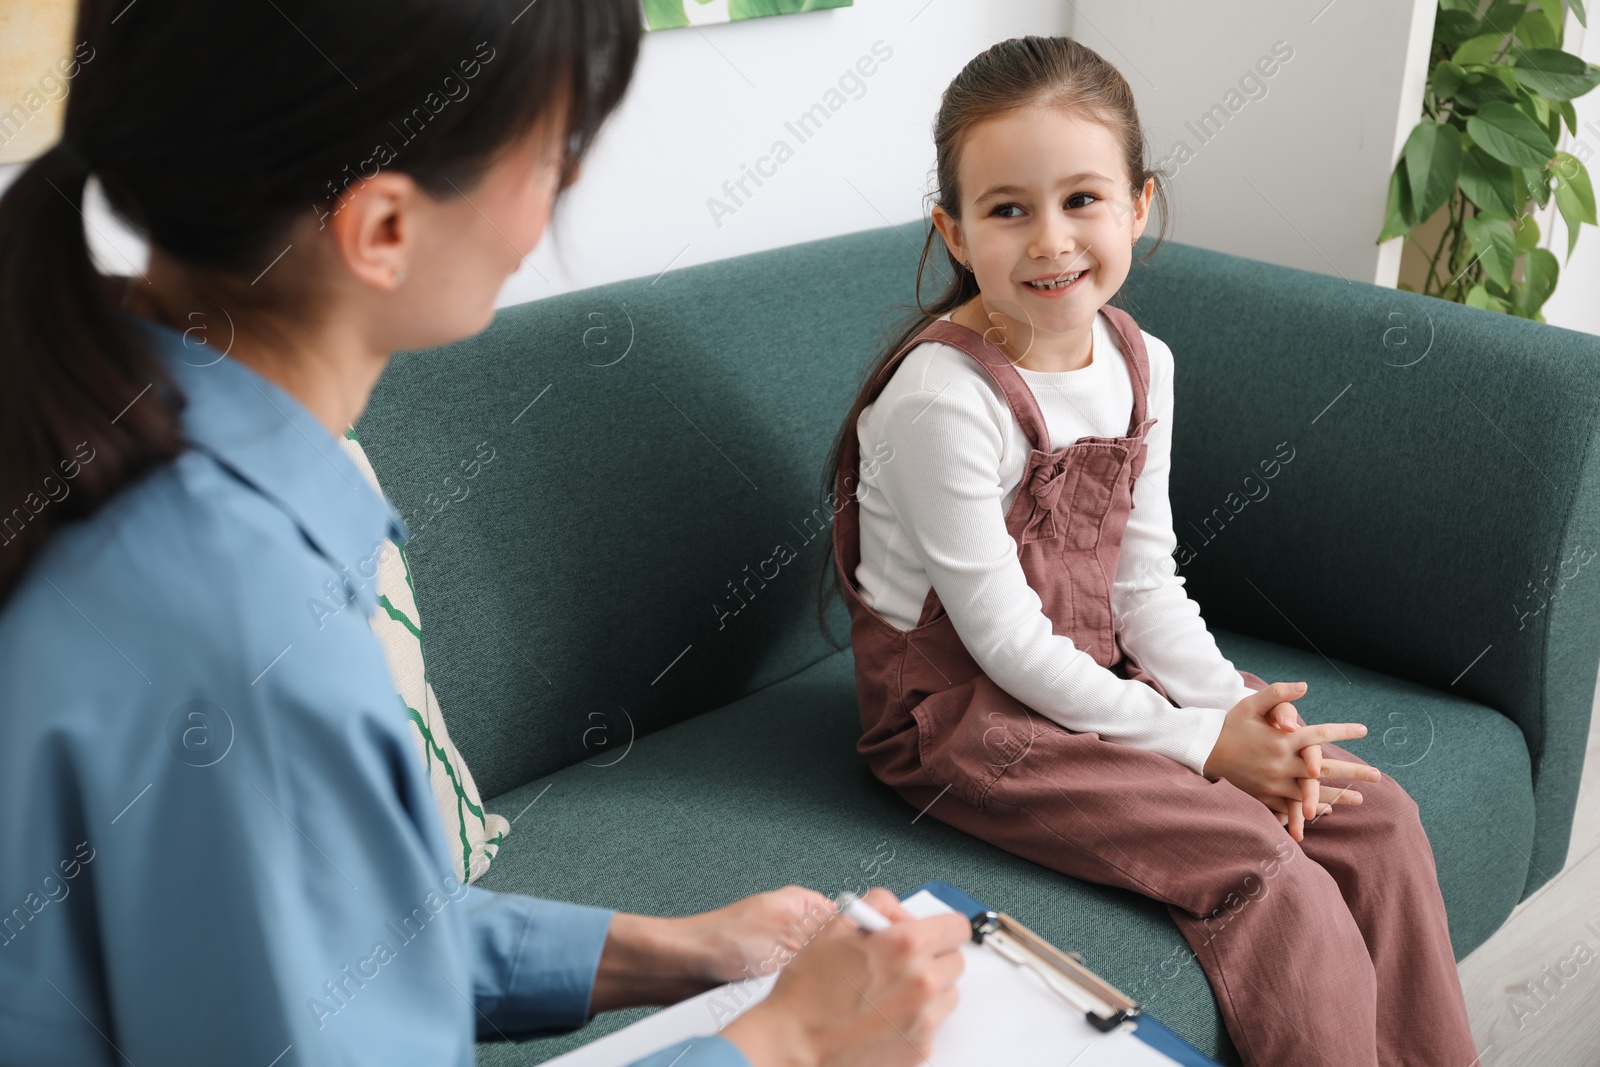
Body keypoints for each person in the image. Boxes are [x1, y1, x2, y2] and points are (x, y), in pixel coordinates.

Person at [0, 2, 969, 1065]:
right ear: (383, 230)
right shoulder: (242, 625)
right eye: (555, 151)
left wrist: (670, 948)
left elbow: (320, 942)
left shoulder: (94, 418)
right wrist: (790, 1043)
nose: (564, 195)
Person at [819, 35, 1481, 1067]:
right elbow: (1000, 645)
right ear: (953, 229)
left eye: (1082, 199)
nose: (1050, 241)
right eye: (1007, 210)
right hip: (966, 716)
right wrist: (1203, 746)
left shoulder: (1142, 361)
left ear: (1138, 204)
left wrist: (1233, 710)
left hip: (1098, 671)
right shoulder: (940, 400)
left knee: (1374, 814)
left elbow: (1143, 578)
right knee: (1273, 872)